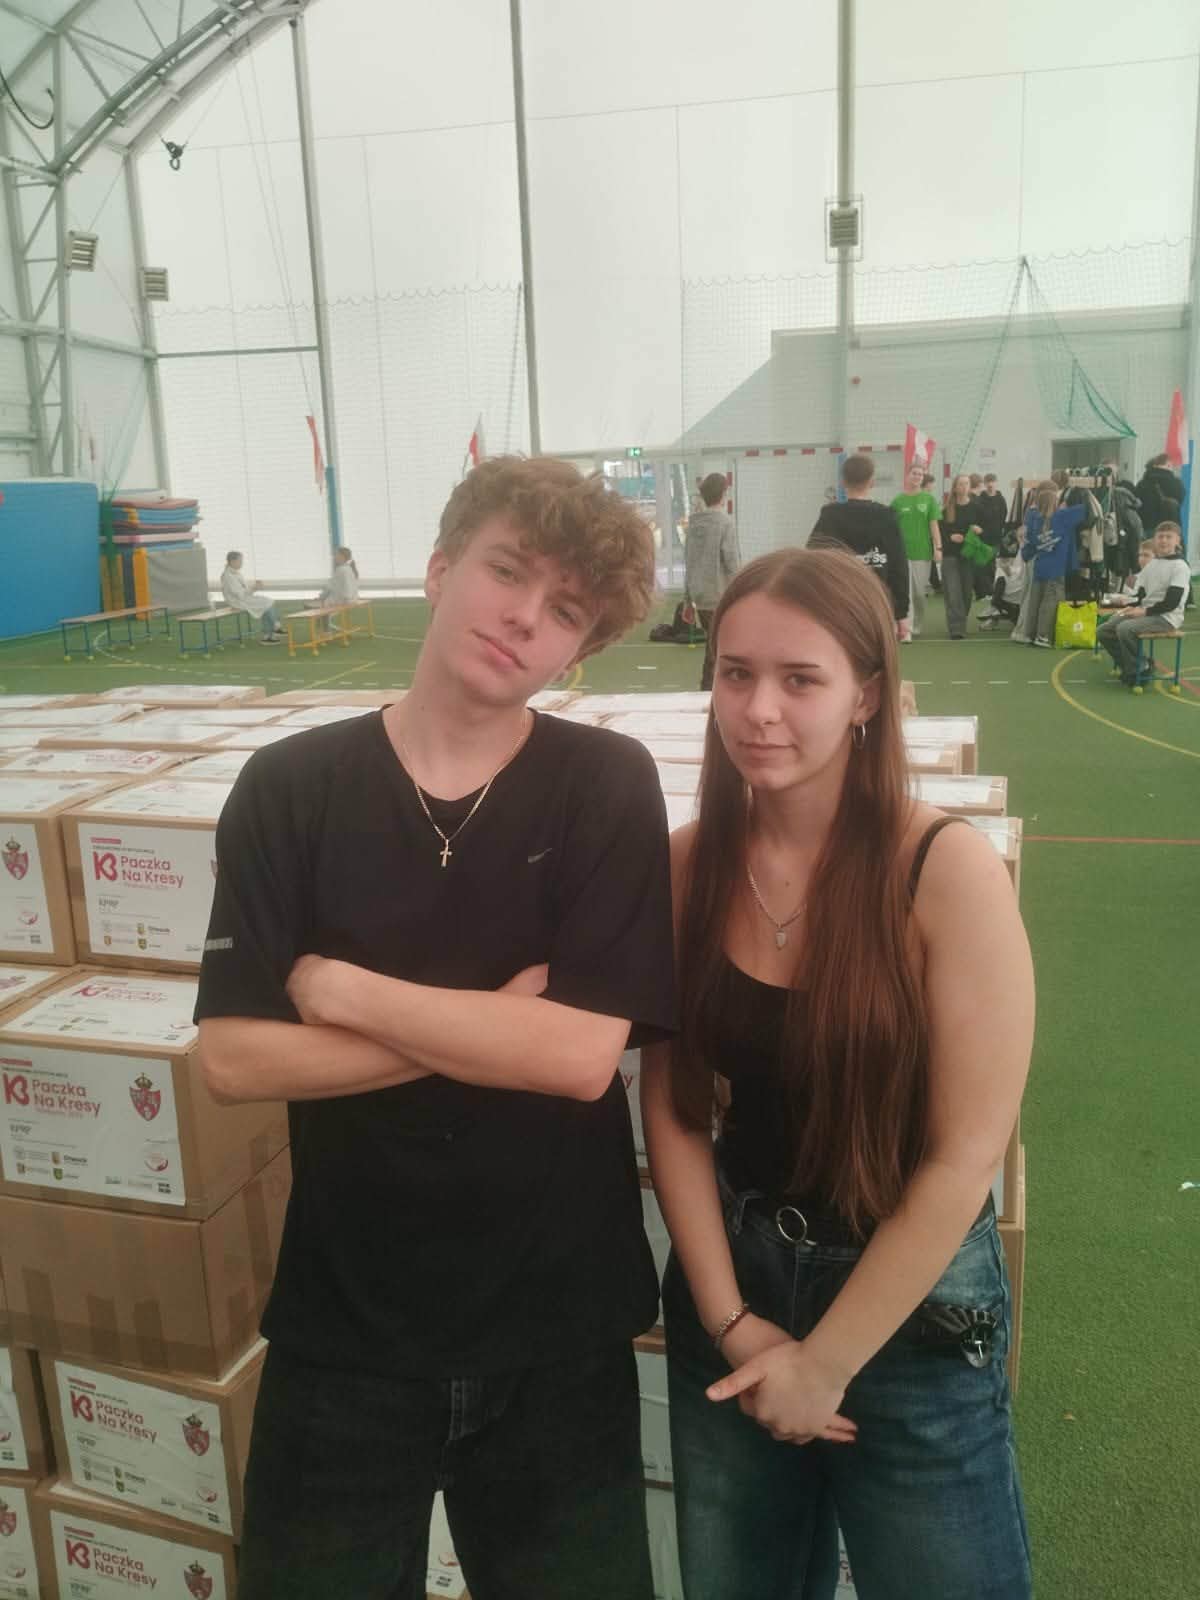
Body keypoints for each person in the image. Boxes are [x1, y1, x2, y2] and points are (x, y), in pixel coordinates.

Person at [196, 456, 676, 1600]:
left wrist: (346, 991)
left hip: (558, 1330)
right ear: (439, 568)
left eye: (565, 610)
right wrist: (499, 1025)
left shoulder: (605, 784)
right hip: (346, 1329)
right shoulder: (290, 787)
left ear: (579, 650)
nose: (524, 616)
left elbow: (577, 1059)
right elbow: (234, 1058)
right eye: (508, 572)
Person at [641, 546, 1033, 1600]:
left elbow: (966, 1154)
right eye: (735, 674)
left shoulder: (944, 871)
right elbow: (673, 1110)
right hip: (736, 1282)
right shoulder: (687, 865)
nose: (758, 709)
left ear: (866, 695)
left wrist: (824, 1365)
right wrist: (730, 1319)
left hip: (910, 1303)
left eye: (800, 679)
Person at [810, 454, 910, 640]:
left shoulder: (830, 515)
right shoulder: (887, 516)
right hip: (877, 602)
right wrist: (901, 613)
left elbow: (812, 562)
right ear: (872, 482)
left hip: (840, 601)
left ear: (842, 482)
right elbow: (899, 567)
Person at [1096, 522, 1191, 686]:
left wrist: (1143, 611)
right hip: (1147, 612)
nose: (1164, 540)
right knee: (1104, 630)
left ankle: (1136, 669)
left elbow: (1172, 602)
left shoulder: (1180, 567)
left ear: (1177, 541)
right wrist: (1129, 605)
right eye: (1160, 537)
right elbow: (1141, 596)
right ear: (1155, 539)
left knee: (1125, 628)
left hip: (1166, 617)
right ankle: (1139, 665)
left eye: (1169, 537)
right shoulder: (1153, 564)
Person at [685, 471, 741, 690]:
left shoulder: (693, 523)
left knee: (714, 645)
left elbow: (689, 561)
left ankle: (709, 688)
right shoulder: (725, 522)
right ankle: (709, 689)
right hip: (719, 594)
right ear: (723, 493)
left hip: (699, 595)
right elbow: (731, 561)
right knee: (717, 648)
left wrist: (687, 601)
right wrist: (742, 590)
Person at [1021, 481, 1087, 647]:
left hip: (1040, 566)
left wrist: (1026, 555)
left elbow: (1028, 546)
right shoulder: (1061, 517)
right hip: (1056, 567)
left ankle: (1030, 634)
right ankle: (1043, 635)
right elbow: (1084, 509)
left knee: (1035, 600)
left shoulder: (1034, 519)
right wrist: (1081, 491)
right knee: (1051, 601)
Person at [890, 460, 943, 638]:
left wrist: (938, 547)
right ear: (908, 475)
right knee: (906, 592)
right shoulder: (897, 501)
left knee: (919, 593)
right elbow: (890, 527)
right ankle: (908, 629)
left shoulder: (929, 500)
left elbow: (934, 525)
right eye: (914, 473)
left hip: (922, 552)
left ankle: (918, 623)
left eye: (920, 474)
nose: (917, 477)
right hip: (901, 553)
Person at [939, 473, 984, 638]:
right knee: (953, 593)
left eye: (966, 484)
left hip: (968, 556)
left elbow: (986, 529)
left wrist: (979, 530)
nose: (964, 487)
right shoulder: (946, 510)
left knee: (966, 593)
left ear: (970, 487)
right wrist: (950, 537)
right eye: (961, 484)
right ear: (955, 488)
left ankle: (961, 619)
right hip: (950, 556)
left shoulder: (977, 508)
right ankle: (956, 628)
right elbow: (939, 533)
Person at [220, 551, 283, 643]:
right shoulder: (228, 576)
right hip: (237, 601)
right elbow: (239, 594)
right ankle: (273, 629)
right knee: (267, 603)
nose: (242, 563)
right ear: (232, 561)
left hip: (243, 599)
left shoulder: (235, 573)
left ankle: (269, 635)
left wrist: (255, 587)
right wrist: (254, 588)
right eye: (240, 561)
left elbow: (244, 590)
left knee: (268, 602)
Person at [975, 473, 1008, 600]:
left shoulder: (1001, 499)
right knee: (981, 564)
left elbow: (1003, 517)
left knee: (991, 565)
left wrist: (999, 531)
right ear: (984, 484)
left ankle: (989, 591)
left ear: (996, 483)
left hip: (995, 537)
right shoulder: (980, 500)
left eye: (992, 481)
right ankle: (983, 592)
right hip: (981, 537)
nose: (990, 484)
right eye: (988, 482)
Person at [1135, 454, 1186, 534]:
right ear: (1168, 465)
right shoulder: (1176, 483)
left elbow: (1136, 504)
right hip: (1169, 528)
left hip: (1147, 527)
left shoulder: (1142, 484)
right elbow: (1180, 500)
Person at [316, 545, 360, 633]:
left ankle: (325, 632)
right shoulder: (349, 568)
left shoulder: (340, 570)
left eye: (336, 555)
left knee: (312, 607)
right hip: (352, 599)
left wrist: (320, 597)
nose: (334, 557)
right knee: (321, 605)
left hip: (343, 601)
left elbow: (329, 588)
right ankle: (326, 629)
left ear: (342, 557)